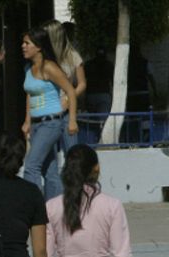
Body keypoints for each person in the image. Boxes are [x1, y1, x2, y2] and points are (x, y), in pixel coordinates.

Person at [21, 27, 79, 201]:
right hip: (37, 124)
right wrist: (27, 121)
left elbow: (70, 91)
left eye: (27, 43)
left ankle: (33, 209)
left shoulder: (50, 67)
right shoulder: (29, 68)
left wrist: (72, 120)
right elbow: (30, 95)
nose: (23, 46)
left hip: (51, 123)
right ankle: (53, 213)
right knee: (49, 170)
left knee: (31, 166)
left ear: (38, 46)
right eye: (23, 43)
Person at [41, 19, 86, 153]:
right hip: (46, 110)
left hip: (66, 111)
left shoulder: (73, 56)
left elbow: (82, 83)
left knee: (72, 153)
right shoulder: (43, 58)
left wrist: (67, 99)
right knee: (49, 155)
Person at [84, 47, 114, 114]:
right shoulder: (109, 65)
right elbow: (113, 81)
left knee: (91, 119)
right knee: (102, 121)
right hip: (104, 94)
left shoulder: (89, 64)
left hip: (91, 94)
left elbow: (83, 80)